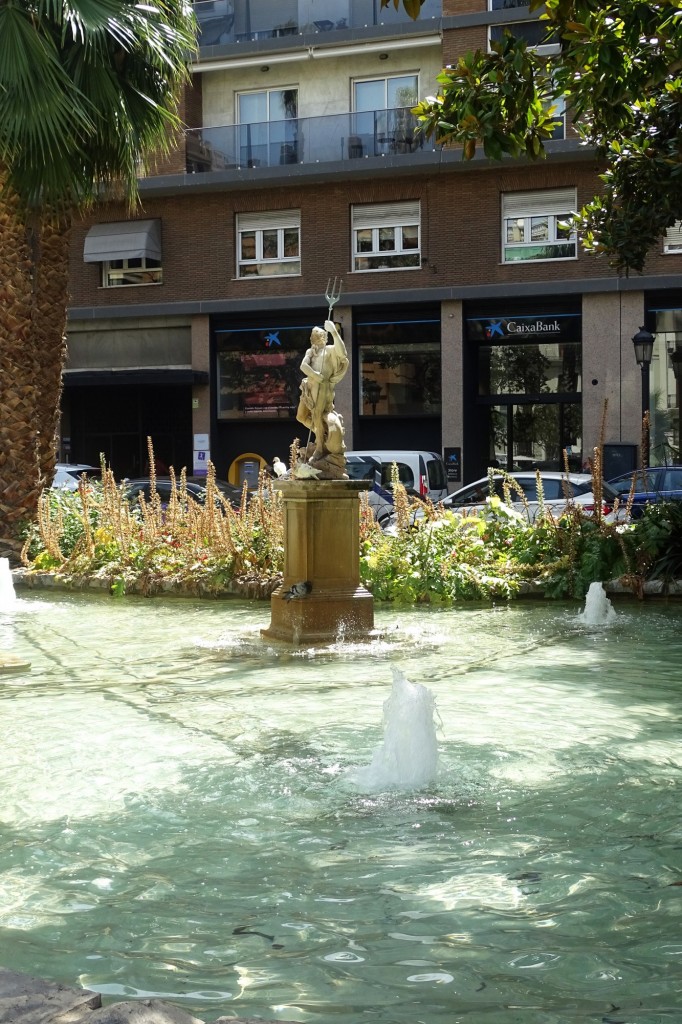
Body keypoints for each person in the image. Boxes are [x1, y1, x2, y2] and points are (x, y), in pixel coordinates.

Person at [296, 320, 349, 460]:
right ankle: (322, 432)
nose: (314, 338)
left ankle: (319, 447)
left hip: (323, 387)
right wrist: (314, 374)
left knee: (317, 414)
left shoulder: (330, 350)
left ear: (324, 338)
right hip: (309, 387)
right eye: (313, 336)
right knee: (300, 416)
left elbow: (342, 353)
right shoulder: (311, 351)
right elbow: (303, 366)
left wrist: (334, 332)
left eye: (317, 335)